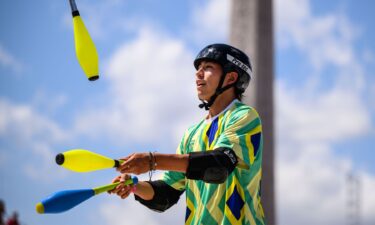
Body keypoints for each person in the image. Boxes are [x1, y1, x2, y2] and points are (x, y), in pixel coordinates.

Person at [109, 43, 265, 225]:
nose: (198, 73)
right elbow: (167, 192)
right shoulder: (192, 133)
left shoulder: (245, 116)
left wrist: (153, 161)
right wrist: (135, 186)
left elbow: (219, 164)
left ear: (230, 78)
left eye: (208, 67)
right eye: (198, 68)